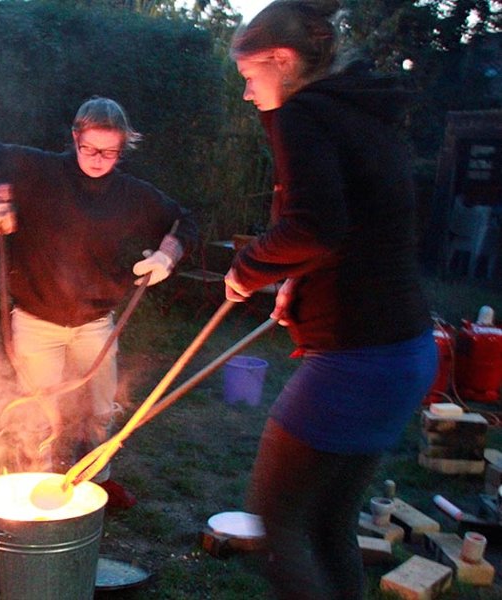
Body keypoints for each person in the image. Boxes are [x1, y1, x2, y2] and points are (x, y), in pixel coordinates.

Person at [223, 1, 437, 598]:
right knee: (327, 522)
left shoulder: (306, 115)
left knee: (278, 519)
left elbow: (316, 226)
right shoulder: (361, 113)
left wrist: (249, 267)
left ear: (281, 60)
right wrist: (300, 280)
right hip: (406, 349)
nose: (247, 94)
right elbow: (359, 227)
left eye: (249, 78)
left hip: (358, 357)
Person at [0, 96, 198, 504]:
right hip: (36, 318)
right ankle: (34, 486)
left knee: (101, 409)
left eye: (109, 151)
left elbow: (185, 219)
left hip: (95, 322)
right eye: (89, 148)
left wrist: (168, 253)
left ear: (123, 149)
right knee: (36, 413)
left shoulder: (131, 194)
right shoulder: (42, 170)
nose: (98, 159)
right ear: (75, 138)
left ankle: (97, 479)